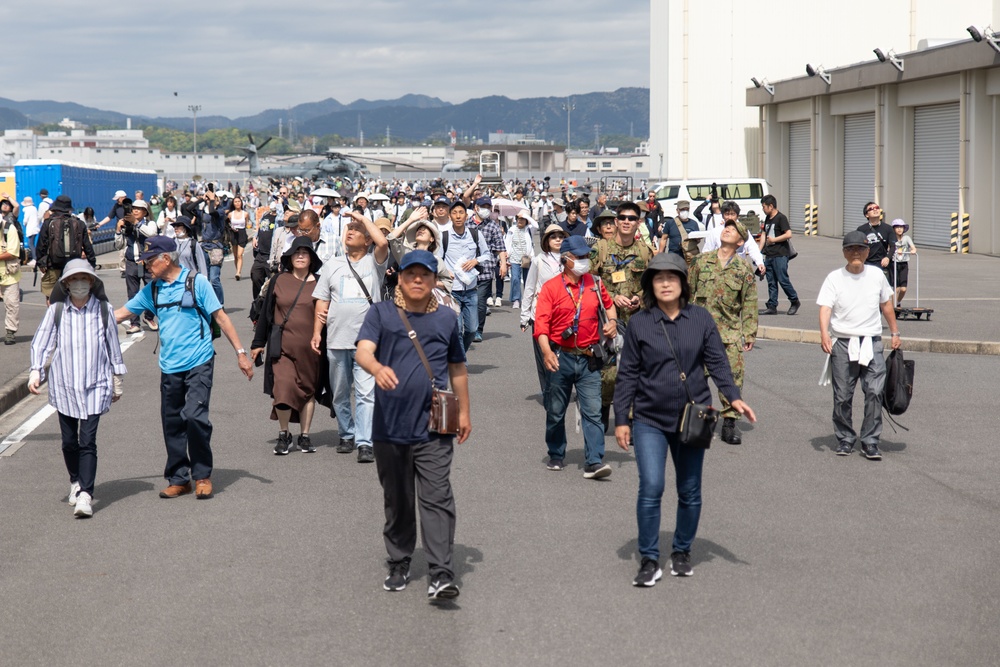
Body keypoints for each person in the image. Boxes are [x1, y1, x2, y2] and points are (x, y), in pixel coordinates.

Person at [613, 253, 756, 586]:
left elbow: (718, 363)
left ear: (683, 284)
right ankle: (649, 558)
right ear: (650, 284)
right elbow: (628, 374)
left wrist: (733, 398)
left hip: (695, 415)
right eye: (659, 278)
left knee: (690, 489)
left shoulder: (701, 319)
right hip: (649, 417)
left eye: (672, 277)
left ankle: (681, 551)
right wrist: (622, 418)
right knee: (651, 486)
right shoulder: (640, 323)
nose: (665, 283)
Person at [355, 250, 471, 601]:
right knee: (399, 498)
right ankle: (399, 560)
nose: (417, 280)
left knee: (437, 497)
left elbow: (458, 368)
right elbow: (362, 351)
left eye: (425, 274)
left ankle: (440, 572)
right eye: (411, 274)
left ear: (435, 280)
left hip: (434, 424)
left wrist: (465, 412)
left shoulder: (447, 320)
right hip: (389, 426)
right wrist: (377, 368)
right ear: (400, 279)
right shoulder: (382, 313)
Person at [113, 236, 253, 499]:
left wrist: (241, 354)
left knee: (194, 417)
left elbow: (221, 318)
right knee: (173, 422)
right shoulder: (153, 289)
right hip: (169, 365)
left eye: (150, 261)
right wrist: (83, 316)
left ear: (166, 258)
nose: (146, 267)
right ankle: (179, 478)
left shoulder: (196, 282)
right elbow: (121, 313)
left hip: (199, 361)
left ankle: (202, 476)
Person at [28, 260, 127, 518]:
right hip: (64, 386)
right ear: (66, 284)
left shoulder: (104, 310)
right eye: (74, 279)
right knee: (69, 441)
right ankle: (75, 481)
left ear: (92, 283)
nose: (80, 283)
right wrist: (36, 370)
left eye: (85, 279)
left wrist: (117, 379)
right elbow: (42, 342)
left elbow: (112, 347)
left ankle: (86, 494)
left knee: (88, 441)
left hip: (95, 385)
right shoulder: (57, 311)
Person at [533, 235, 618, 478]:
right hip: (561, 356)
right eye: (579, 257)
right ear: (566, 259)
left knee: (592, 410)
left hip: (590, 358)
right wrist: (547, 351)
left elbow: (609, 305)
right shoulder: (551, 288)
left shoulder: (595, 282)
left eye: (586, 256)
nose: (584, 261)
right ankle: (556, 453)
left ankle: (594, 460)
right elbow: (541, 326)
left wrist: (611, 321)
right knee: (556, 410)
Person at [311, 212, 389, 463]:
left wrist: (362, 218)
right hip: (336, 338)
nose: (350, 232)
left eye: (355, 230)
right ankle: (346, 433)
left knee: (367, 393)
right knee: (340, 392)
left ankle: (365, 441)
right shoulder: (332, 265)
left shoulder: (374, 262)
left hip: (368, 341)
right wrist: (316, 332)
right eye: (348, 230)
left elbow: (384, 243)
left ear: (367, 240)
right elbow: (322, 301)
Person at [818, 231, 901, 461]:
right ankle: (845, 437)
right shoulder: (834, 278)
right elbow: (825, 307)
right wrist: (824, 333)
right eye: (851, 249)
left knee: (874, 392)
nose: (856, 253)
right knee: (842, 395)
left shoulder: (876, 275)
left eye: (860, 249)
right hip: (843, 343)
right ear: (844, 252)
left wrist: (894, 331)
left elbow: (886, 305)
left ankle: (870, 441)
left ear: (867, 252)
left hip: (871, 342)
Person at [688, 218, 758, 445]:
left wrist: (749, 332)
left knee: (732, 379)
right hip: (698, 333)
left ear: (740, 241)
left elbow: (749, 301)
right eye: (726, 226)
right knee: (696, 380)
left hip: (728, 334)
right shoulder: (701, 261)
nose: (728, 229)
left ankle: (729, 423)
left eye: (734, 229)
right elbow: (687, 294)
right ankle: (698, 427)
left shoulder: (743, 268)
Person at [252, 237, 325, 455]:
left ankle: (305, 435)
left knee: (307, 391)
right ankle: (284, 434)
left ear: (311, 258)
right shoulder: (278, 280)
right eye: (296, 252)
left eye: (305, 252)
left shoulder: (321, 282)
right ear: (290, 257)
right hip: (281, 347)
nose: (300, 256)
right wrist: (258, 343)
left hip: (311, 349)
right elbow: (265, 314)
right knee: (282, 388)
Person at [589, 201, 650, 431]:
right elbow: (589, 282)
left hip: (636, 321)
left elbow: (655, 283)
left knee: (637, 371)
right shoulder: (600, 249)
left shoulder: (645, 251)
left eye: (632, 218)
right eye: (622, 217)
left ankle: (631, 420)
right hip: (606, 320)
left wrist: (640, 298)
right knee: (607, 373)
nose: (626, 222)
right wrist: (611, 297)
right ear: (615, 222)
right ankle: (604, 409)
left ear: (638, 223)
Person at [521, 224, 568, 397]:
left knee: (564, 354)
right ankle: (547, 389)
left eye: (560, 237)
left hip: (565, 314)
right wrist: (525, 316)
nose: (557, 240)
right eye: (553, 237)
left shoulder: (570, 260)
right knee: (543, 354)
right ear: (547, 241)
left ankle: (561, 386)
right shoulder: (538, 260)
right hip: (540, 314)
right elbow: (529, 287)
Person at [441, 201, 490, 351]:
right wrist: (444, 271)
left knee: (471, 329)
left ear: (466, 215)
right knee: (457, 329)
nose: (458, 216)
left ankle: (459, 355)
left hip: (471, 289)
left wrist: (476, 260)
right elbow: (436, 259)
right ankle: (460, 362)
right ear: (450, 216)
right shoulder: (444, 237)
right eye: (454, 213)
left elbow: (487, 254)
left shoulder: (475, 234)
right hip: (452, 291)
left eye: (461, 213)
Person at [36, 195, 96, 303]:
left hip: (53, 265)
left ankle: (54, 316)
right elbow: (88, 246)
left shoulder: (48, 222)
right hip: (73, 266)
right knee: (72, 295)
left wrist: (41, 263)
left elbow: (41, 245)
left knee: (50, 295)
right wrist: (92, 264)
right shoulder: (79, 223)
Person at [758, 195, 800, 316]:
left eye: (764, 206)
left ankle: (794, 300)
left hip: (780, 254)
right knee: (771, 281)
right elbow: (764, 235)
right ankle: (772, 305)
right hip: (769, 255)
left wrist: (774, 240)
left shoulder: (781, 218)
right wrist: (759, 251)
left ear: (771, 206)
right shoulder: (767, 218)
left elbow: (788, 234)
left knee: (782, 279)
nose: (763, 209)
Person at [468, 196, 507, 319]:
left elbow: (500, 247)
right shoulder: (466, 224)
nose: (486, 209)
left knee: (480, 303)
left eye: (488, 207)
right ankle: (469, 329)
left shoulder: (493, 226)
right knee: (468, 302)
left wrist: (504, 264)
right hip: (467, 268)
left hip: (486, 269)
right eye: (483, 207)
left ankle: (478, 330)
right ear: (476, 208)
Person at [1, 197, 23, 345]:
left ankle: (10, 332)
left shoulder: (10, 229)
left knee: (11, 304)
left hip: (9, 273)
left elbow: (13, 253)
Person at [503, 210, 535, 309]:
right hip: (514, 258)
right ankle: (516, 299)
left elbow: (536, 225)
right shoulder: (511, 230)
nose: (520, 221)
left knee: (527, 279)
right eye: (519, 219)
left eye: (523, 219)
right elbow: (507, 243)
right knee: (515, 278)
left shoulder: (529, 229)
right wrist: (506, 255)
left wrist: (526, 216)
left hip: (526, 258)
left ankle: (527, 299)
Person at [858, 202, 896, 282]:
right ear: (866, 215)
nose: (875, 209)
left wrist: (887, 258)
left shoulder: (888, 228)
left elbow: (893, 246)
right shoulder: (861, 229)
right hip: (867, 263)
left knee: (883, 291)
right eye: (871, 209)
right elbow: (857, 247)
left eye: (877, 207)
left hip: (882, 264)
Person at [889, 219, 917, 306]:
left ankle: (898, 302)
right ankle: (893, 306)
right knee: (896, 288)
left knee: (903, 289)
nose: (899, 229)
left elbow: (913, 247)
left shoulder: (906, 238)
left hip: (903, 263)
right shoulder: (891, 238)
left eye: (901, 227)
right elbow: (888, 248)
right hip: (894, 263)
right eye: (897, 227)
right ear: (893, 229)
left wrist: (913, 250)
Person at [227, 195, 250, 280]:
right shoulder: (230, 214)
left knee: (240, 255)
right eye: (235, 202)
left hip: (242, 233)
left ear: (241, 202)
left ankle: (238, 272)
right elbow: (228, 223)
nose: (237, 203)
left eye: (239, 201)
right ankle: (237, 269)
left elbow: (246, 224)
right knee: (235, 255)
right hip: (233, 234)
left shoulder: (245, 214)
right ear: (233, 203)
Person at [21, 196, 39, 264]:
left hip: (31, 228)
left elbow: (25, 219)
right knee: (32, 243)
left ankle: (35, 258)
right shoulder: (34, 208)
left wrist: (24, 224)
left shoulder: (27, 209)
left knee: (30, 244)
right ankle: (34, 257)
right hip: (35, 228)